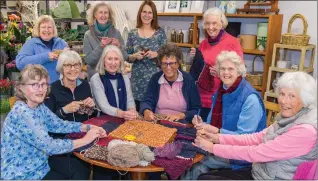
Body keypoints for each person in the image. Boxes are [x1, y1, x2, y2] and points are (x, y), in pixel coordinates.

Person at [193, 71, 317, 180]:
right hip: (262, 172)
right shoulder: (290, 116)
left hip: (273, 177)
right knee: (204, 177)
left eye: (292, 96)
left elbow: (258, 152)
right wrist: (217, 138)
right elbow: (256, 138)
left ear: (305, 100)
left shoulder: (305, 130)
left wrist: (213, 148)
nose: (284, 101)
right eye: (282, 94)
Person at [1, 64, 106, 180]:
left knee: (79, 170)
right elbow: (50, 146)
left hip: (40, 167)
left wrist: (87, 127)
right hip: (23, 174)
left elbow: (57, 124)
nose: (41, 89)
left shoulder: (38, 105)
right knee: (77, 171)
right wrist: (86, 139)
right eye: (34, 85)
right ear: (21, 88)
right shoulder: (22, 112)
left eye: (44, 84)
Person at [182, 51, 266, 179]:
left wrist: (215, 133)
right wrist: (201, 124)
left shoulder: (250, 99)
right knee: (184, 154)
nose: (226, 73)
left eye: (230, 69)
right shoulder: (221, 91)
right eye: (222, 69)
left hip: (240, 157)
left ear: (239, 72)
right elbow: (211, 124)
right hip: (220, 144)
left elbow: (244, 139)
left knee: (195, 165)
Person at [44, 50, 96, 179]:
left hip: (83, 138)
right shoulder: (52, 89)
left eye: (76, 65)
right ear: (61, 68)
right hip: (60, 142)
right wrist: (64, 110)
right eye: (68, 65)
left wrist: (91, 107)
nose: (73, 69)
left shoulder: (85, 85)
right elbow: (46, 122)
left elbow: (91, 117)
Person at [189, 7, 243, 121]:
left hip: (221, 98)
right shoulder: (203, 44)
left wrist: (221, 73)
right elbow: (200, 67)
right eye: (207, 23)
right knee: (200, 131)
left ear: (222, 23)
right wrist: (196, 57)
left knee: (215, 134)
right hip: (201, 98)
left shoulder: (233, 43)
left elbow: (240, 72)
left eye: (214, 23)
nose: (210, 27)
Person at [140, 43, 201, 123]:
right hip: (158, 122)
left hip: (180, 123)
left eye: (172, 63)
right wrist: (146, 111)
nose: (168, 68)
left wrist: (181, 115)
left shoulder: (188, 80)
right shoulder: (155, 79)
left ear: (178, 63)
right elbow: (146, 100)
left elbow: (196, 109)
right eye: (164, 64)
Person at [126, 0, 167, 111]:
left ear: (153, 16)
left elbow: (167, 56)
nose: (147, 15)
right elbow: (126, 56)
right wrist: (134, 56)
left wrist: (156, 54)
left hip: (155, 81)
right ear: (140, 13)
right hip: (137, 83)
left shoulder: (160, 33)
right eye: (144, 12)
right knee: (138, 118)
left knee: (153, 117)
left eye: (150, 12)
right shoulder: (132, 33)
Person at [16, 15, 68, 83]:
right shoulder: (31, 44)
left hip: (60, 86)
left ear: (53, 29)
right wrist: (46, 57)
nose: (46, 30)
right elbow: (20, 63)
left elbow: (70, 64)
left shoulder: (61, 43)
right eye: (43, 27)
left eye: (49, 27)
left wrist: (68, 56)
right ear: (38, 29)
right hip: (38, 87)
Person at [90, 45, 137, 120]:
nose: (113, 63)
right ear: (103, 60)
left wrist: (131, 111)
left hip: (125, 119)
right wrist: (123, 114)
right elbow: (104, 106)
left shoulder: (125, 77)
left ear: (120, 61)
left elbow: (130, 100)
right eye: (109, 59)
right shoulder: (96, 79)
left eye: (116, 59)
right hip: (104, 120)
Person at [84, 1, 128, 79]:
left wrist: (119, 46)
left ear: (109, 15)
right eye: (100, 12)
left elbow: (125, 57)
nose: (103, 15)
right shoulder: (88, 35)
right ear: (95, 15)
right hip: (95, 78)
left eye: (106, 13)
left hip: (114, 78)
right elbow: (88, 60)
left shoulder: (116, 33)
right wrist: (101, 46)